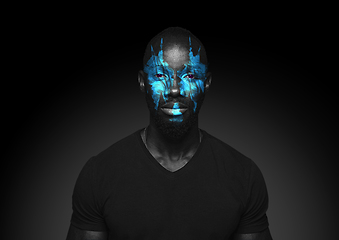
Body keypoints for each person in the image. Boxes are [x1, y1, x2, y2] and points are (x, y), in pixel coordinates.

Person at [66, 27, 273, 240]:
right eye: (159, 75)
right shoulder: (99, 174)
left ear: (207, 83)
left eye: (190, 75)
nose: (174, 89)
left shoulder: (243, 175)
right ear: (142, 82)